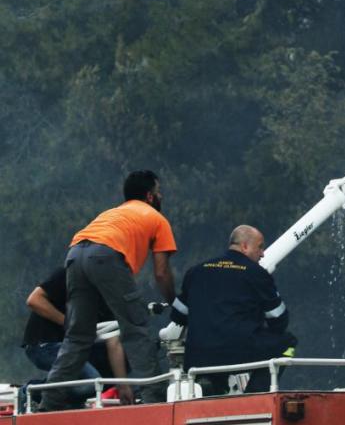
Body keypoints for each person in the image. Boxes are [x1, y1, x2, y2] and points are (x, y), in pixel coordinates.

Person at [40, 170, 177, 411]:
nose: (161, 196)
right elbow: (161, 273)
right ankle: (155, 401)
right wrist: (175, 303)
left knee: (77, 337)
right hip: (106, 255)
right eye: (158, 192)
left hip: (75, 253)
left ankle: (48, 403)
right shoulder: (157, 219)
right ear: (150, 196)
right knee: (135, 329)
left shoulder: (112, 213)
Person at [168, 225, 296, 394]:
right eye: (260, 247)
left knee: (213, 362)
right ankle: (255, 394)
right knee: (288, 343)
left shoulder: (196, 272)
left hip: (198, 357)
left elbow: (178, 315)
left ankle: (213, 388)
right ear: (245, 246)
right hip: (239, 354)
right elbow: (279, 319)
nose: (263, 253)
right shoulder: (257, 274)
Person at [23, 267, 134, 405]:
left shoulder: (108, 296)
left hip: (75, 348)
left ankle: (68, 404)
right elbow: (34, 300)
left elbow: (113, 341)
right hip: (44, 344)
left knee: (115, 369)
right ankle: (30, 392)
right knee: (91, 382)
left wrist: (122, 385)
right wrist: (69, 324)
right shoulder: (70, 274)